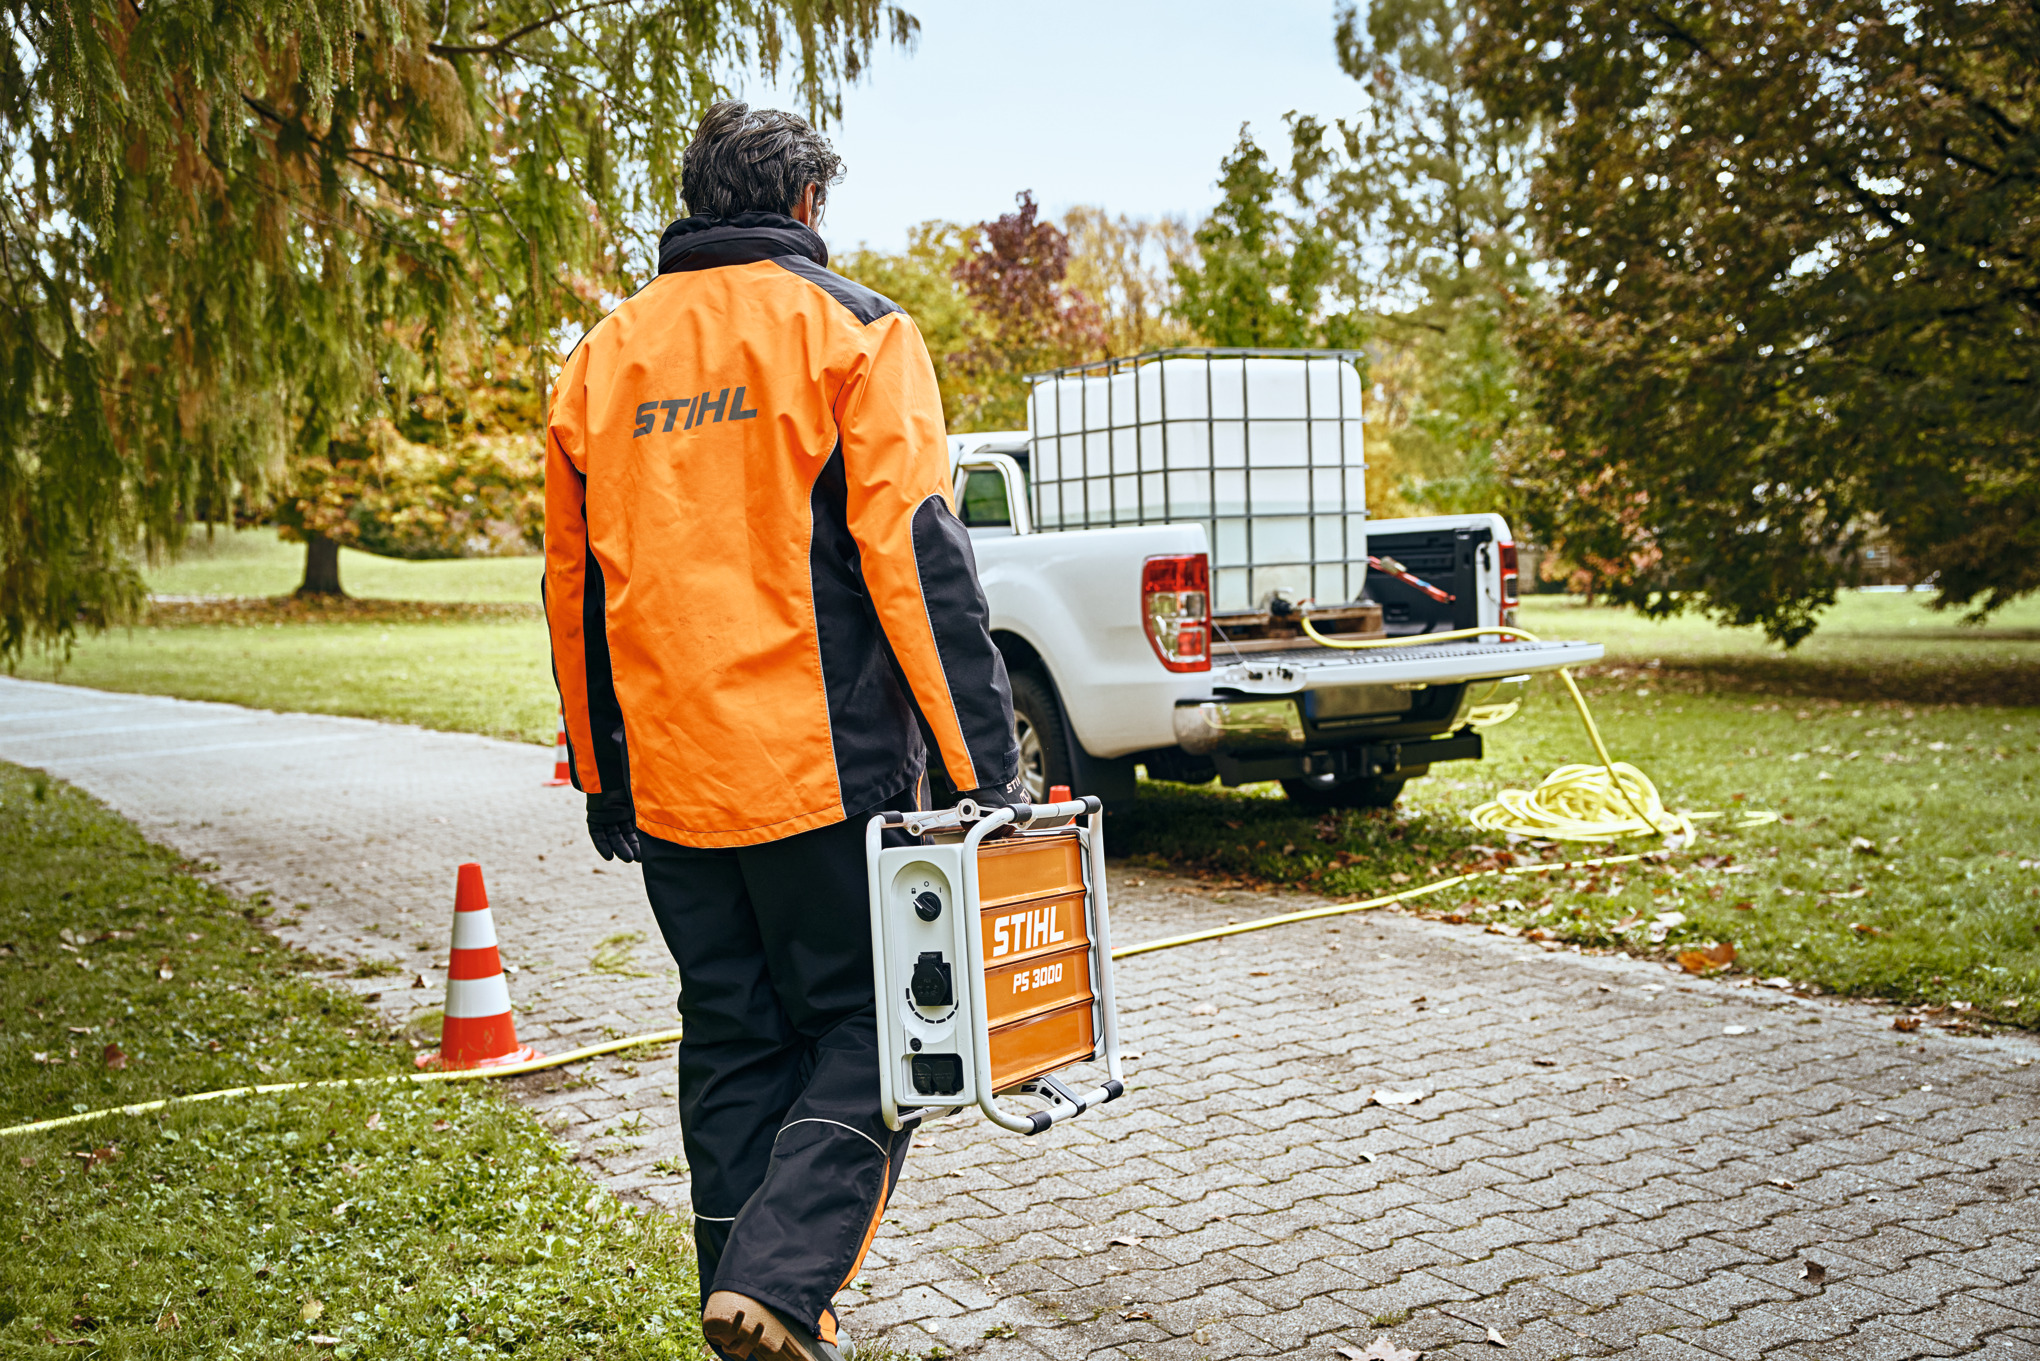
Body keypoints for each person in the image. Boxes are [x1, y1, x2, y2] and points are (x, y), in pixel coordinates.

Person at [542, 101, 1022, 1361]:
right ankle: (782, 1279)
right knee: (892, 1021)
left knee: (732, 1033)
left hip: (670, 781)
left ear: (699, 204)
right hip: (826, 775)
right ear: (806, 204)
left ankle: (742, 1296)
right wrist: (989, 771)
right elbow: (921, 565)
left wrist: (602, 771)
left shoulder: (601, 360)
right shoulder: (857, 332)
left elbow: (573, 590)